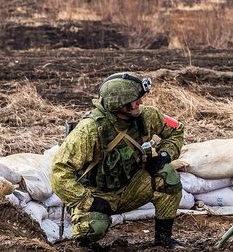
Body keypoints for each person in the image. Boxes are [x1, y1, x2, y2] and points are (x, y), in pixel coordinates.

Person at [51, 72, 186, 250]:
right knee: (94, 228)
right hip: (96, 195)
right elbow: (59, 172)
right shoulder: (89, 130)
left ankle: (163, 238)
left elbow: (176, 129)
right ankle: (84, 245)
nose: (141, 102)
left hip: (130, 188)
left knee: (168, 177)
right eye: (135, 99)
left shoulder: (147, 116)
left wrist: (165, 155)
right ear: (119, 103)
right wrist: (89, 201)